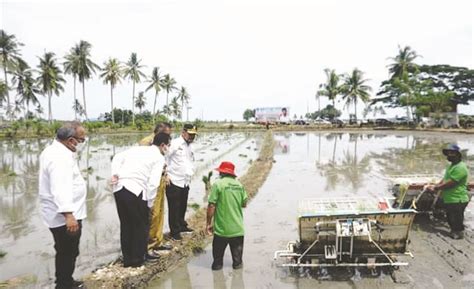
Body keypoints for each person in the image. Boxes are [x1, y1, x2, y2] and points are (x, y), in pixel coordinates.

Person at [38, 122, 87, 289]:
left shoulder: (57, 151)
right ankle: (64, 285)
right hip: (64, 216)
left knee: (67, 250)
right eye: (81, 140)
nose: (81, 144)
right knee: (68, 251)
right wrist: (68, 215)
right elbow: (60, 186)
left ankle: (65, 281)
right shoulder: (59, 157)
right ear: (71, 140)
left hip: (65, 213)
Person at [111, 133, 170, 267]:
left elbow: (117, 157)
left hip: (119, 189)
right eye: (168, 145)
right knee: (141, 226)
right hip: (135, 190)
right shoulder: (158, 158)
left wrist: (115, 174)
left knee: (126, 225)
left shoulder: (137, 149)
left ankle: (128, 260)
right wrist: (149, 204)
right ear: (162, 145)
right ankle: (138, 260)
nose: (168, 148)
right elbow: (153, 183)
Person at [138, 123, 174, 253]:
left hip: (160, 178)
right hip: (150, 180)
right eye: (167, 133)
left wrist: (166, 174)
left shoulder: (162, 143)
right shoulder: (147, 142)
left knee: (159, 212)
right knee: (152, 214)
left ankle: (157, 241)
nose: (169, 136)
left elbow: (163, 161)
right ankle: (149, 245)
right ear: (160, 132)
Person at [206, 161, 248, 270]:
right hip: (238, 230)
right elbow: (244, 204)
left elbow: (211, 205)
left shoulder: (218, 184)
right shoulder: (240, 185)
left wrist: (208, 224)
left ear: (222, 173)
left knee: (217, 264)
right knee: (238, 265)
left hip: (221, 231)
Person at [427, 144, 470, 239]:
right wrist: (436, 185)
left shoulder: (460, 168)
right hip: (450, 198)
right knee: (450, 216)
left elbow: (451, 183)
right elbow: (445, 179)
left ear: (458, 155)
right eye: (448, 153)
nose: (449, 155)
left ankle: (459, 233)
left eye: (452, 153)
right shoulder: (451, 166)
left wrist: (436, 188)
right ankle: (454, 231)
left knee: (456, 218)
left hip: (458, 198)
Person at [166, 123, 197, 240]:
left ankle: (181, 225)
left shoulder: (191, 146)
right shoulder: (175, 144)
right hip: (173, 180)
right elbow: (164, 157)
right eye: (190, 134)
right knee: (174, 207)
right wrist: (165, 175)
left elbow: (189, 161)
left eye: (194, 135)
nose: (192, 137)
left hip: (185, 180)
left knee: (182, 205)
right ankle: (174, 232)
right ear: (183, 132)